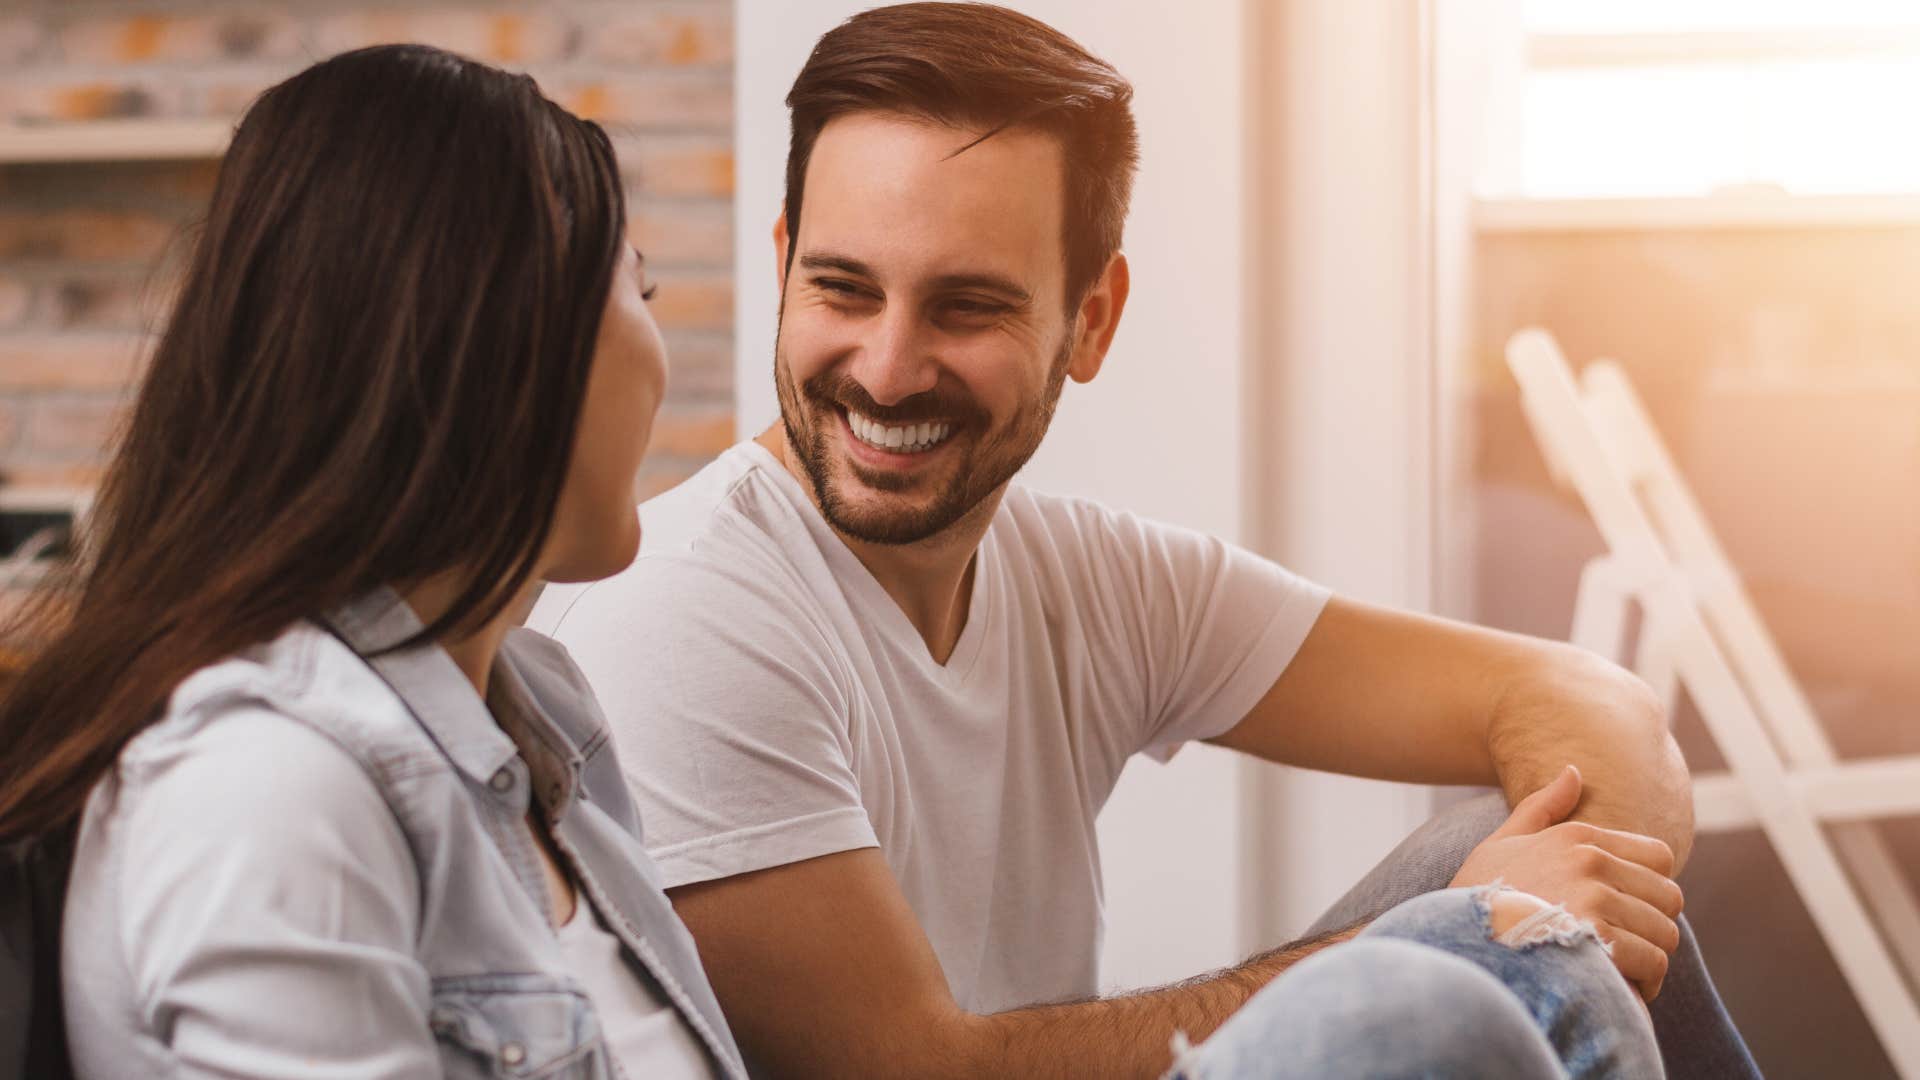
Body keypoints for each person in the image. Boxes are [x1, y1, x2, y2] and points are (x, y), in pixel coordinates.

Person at [531, 4, 1760, 1077]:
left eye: (967, 306)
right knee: (1457, 964)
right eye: (844, 288)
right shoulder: (685, 613)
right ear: (784, 263)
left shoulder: (1086, 578)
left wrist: (1568, 904)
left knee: (1546, 880)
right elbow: (915, 1070)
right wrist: (1478, 935)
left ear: (1091, 321)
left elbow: (1588, 705)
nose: (888, 368)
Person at [0, 45, 744, 1079]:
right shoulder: (272, 783)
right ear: (505, 334)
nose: (658, 357)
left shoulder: (544, 711)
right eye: (641, 289)